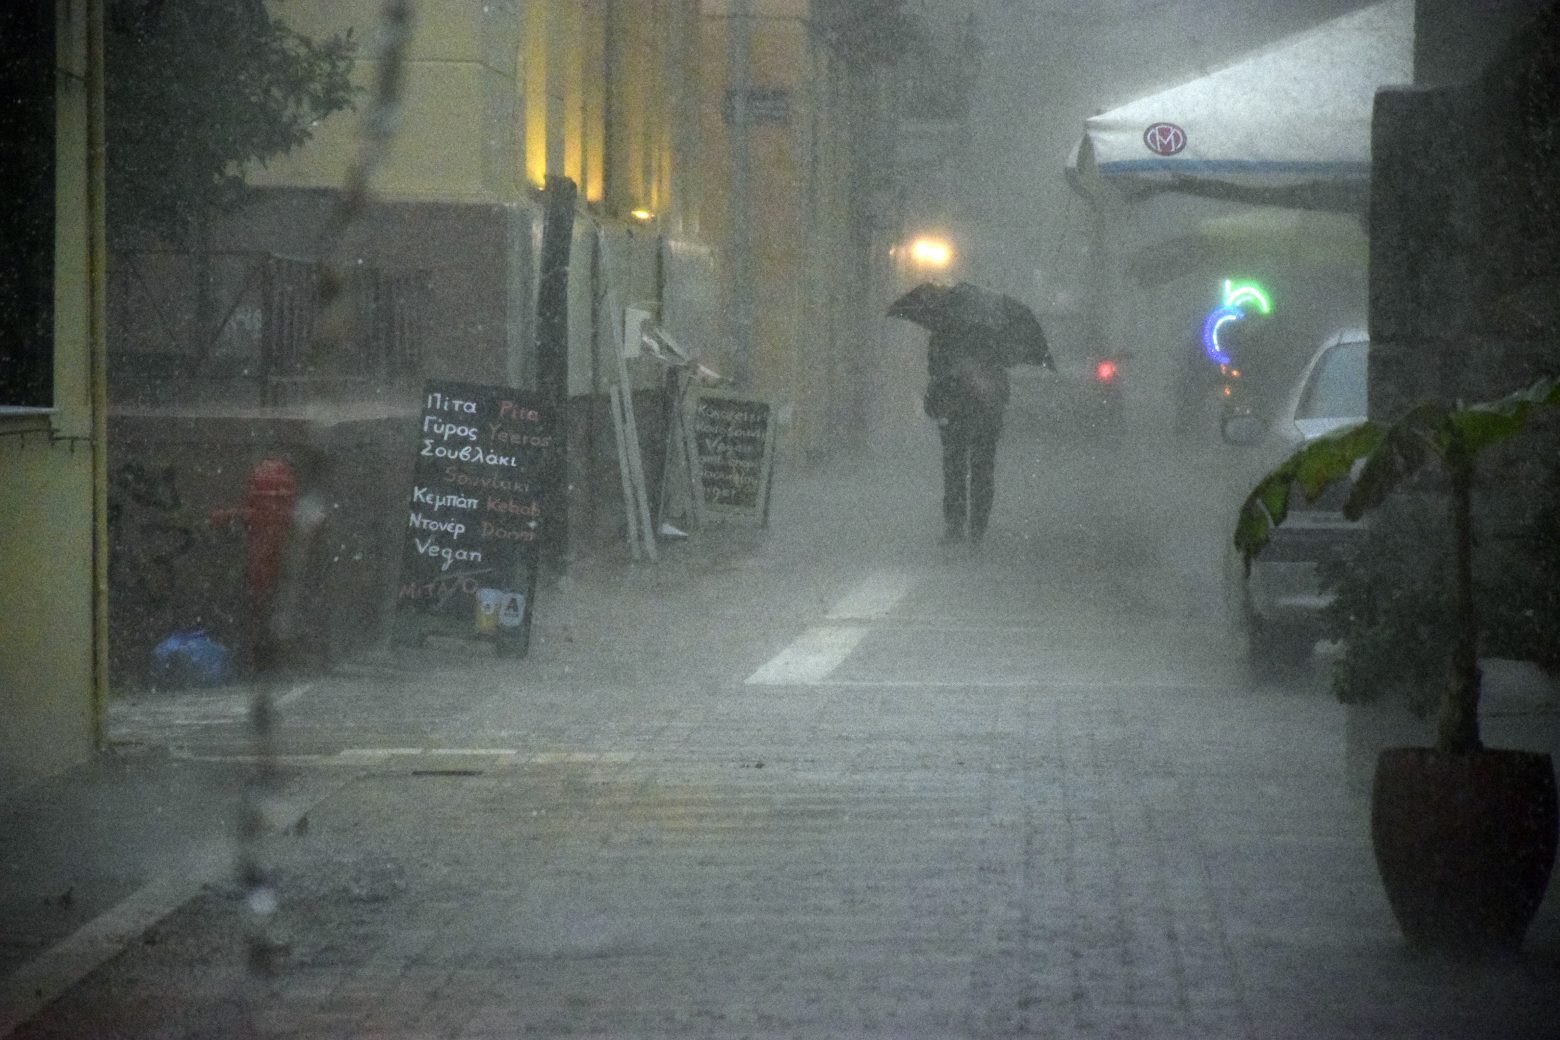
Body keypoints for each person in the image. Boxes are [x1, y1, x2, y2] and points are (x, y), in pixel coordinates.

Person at [924, 327, 1009, 546]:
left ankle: (955, 525)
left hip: (954, 409)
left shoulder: (944, 331)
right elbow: (1001, 374)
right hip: (983, 411)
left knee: (955, 469)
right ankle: (977, 529)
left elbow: (934, 369)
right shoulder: (993, 334)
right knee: (981, 470)